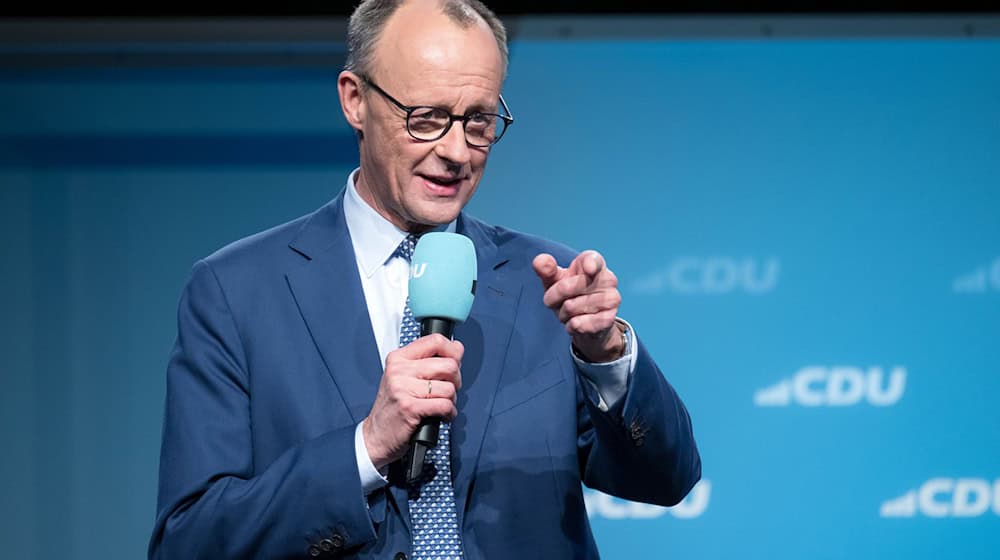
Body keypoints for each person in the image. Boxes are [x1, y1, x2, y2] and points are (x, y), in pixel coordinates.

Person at [148, 0, 700, 558]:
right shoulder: (236, 292)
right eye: (427, 118)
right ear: (355, 100)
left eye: (479, 121)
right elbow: (187, 542)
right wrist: (363, 450)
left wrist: (606, 355)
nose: (456, 151)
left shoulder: (548, 287)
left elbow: (666, 479)